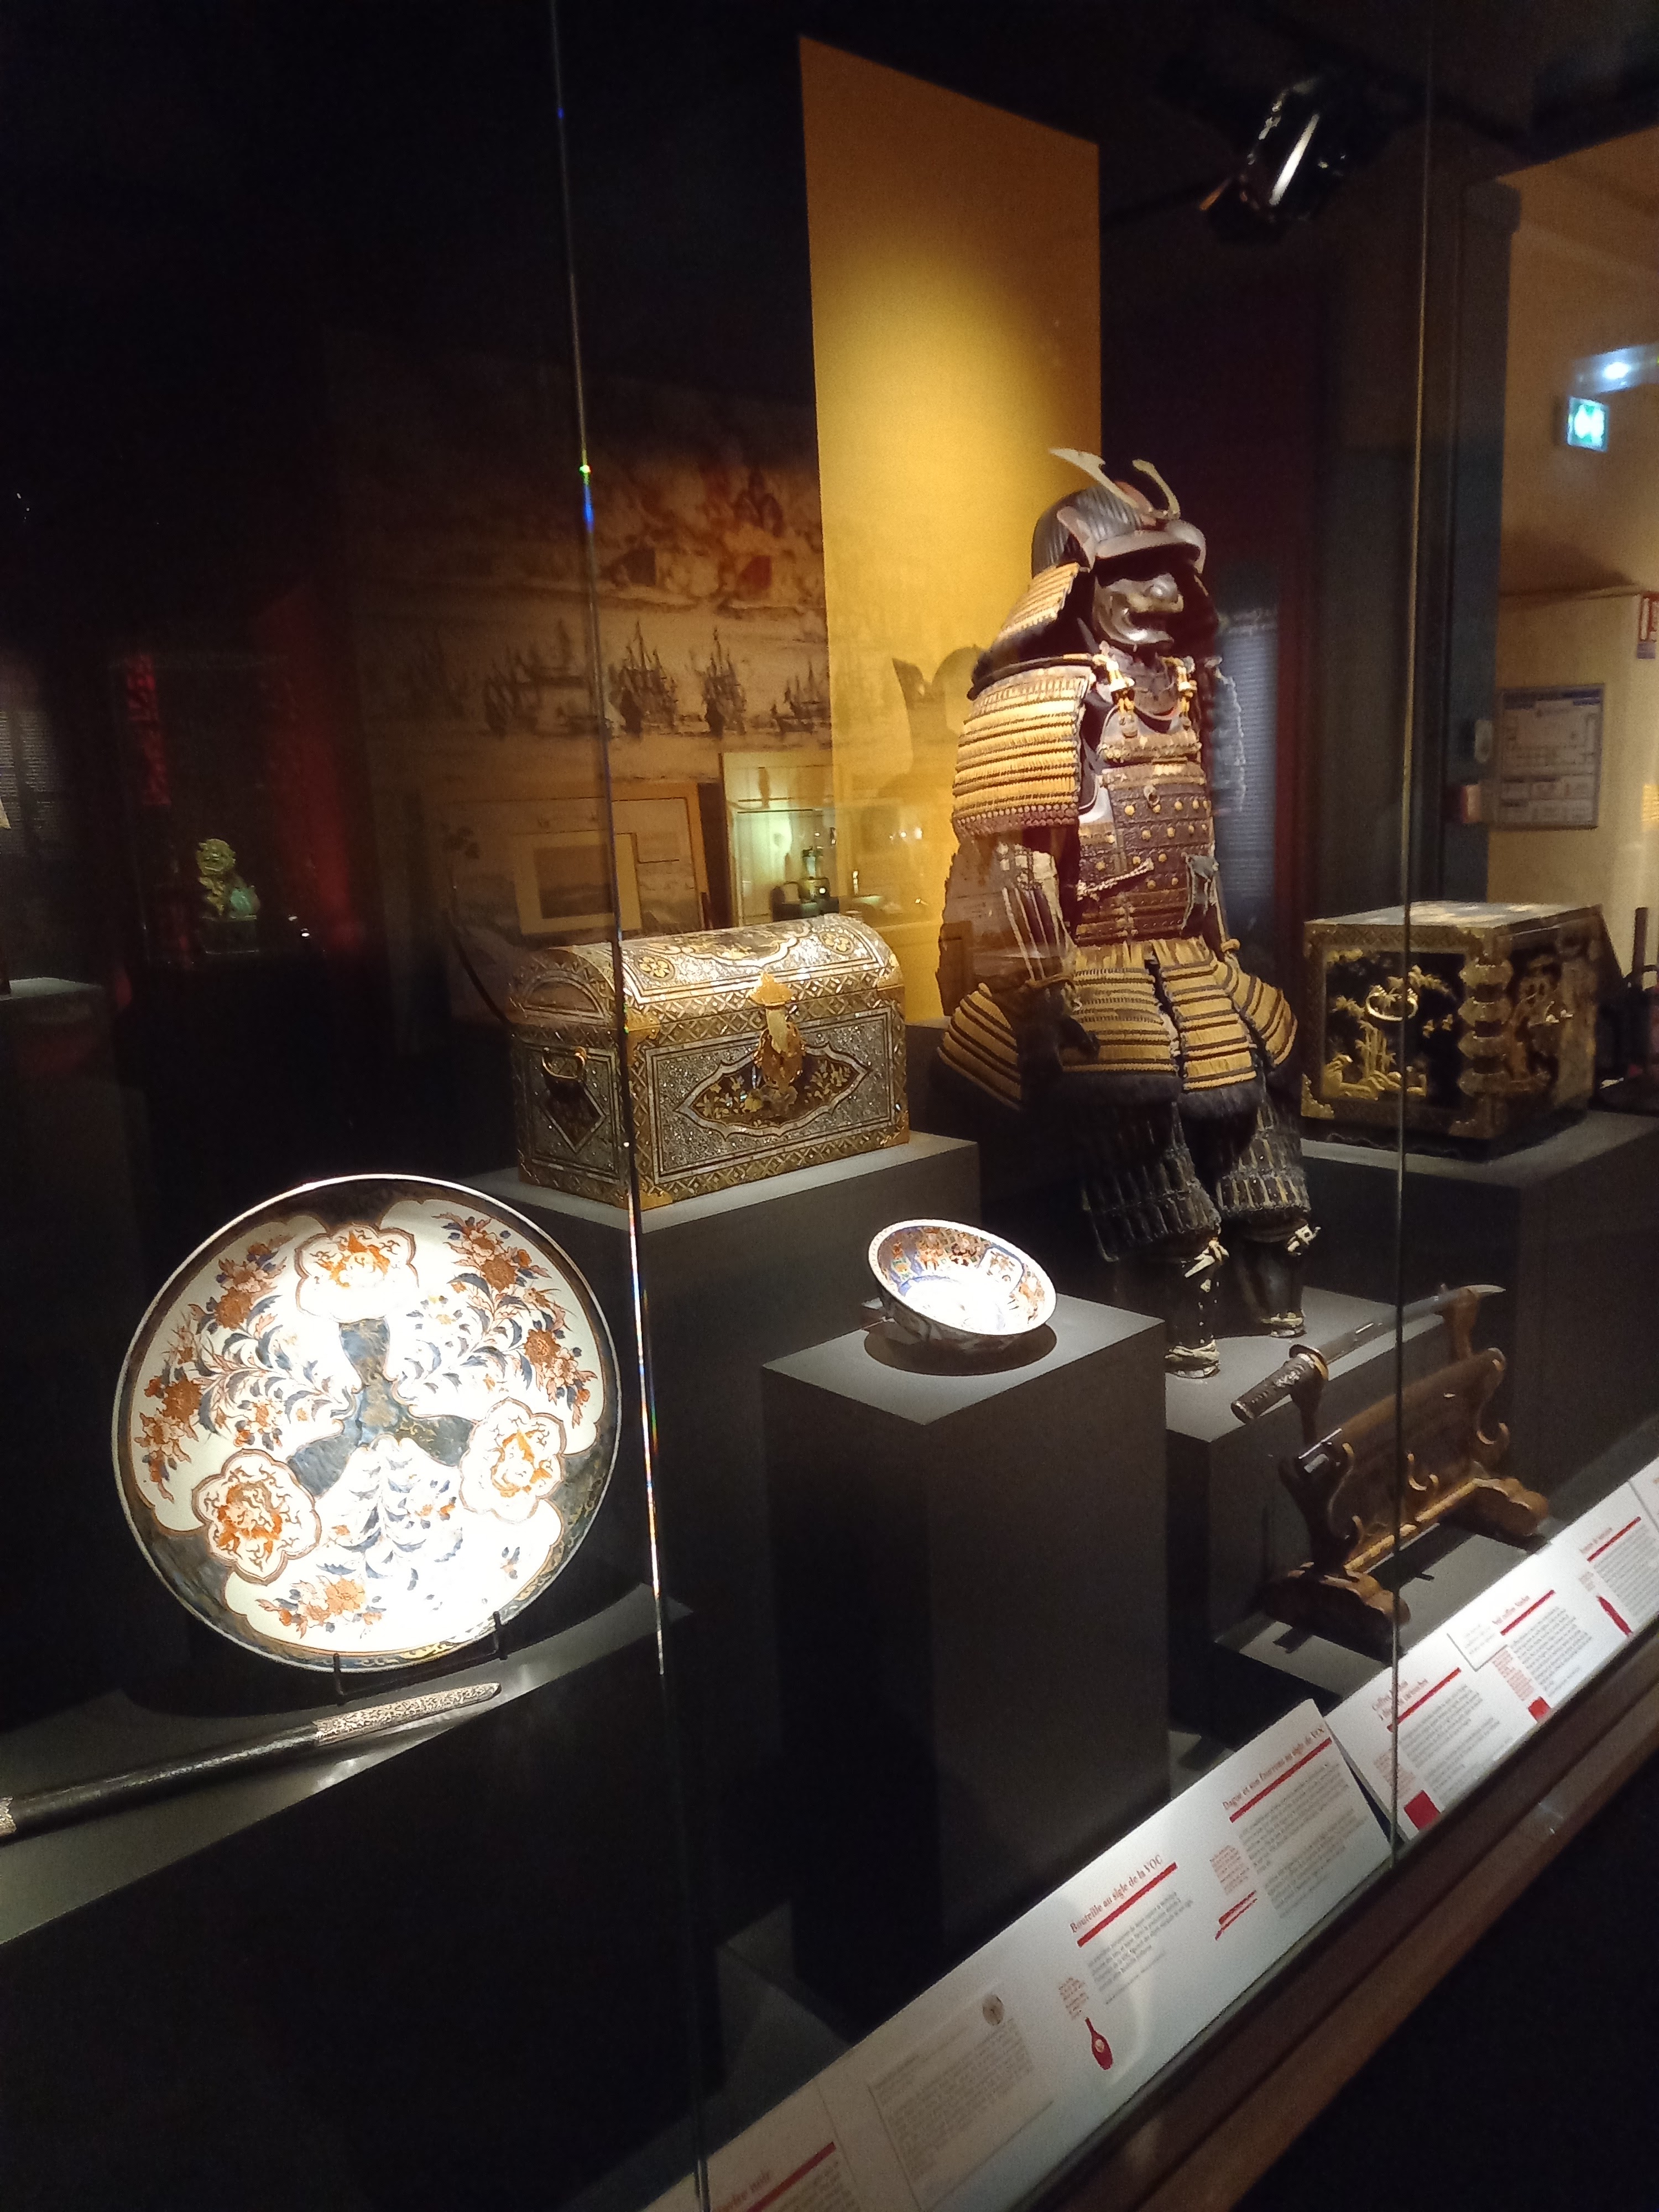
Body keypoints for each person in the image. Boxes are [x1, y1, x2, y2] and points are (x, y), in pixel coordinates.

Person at [935, 451, 1312, 1374]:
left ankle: (1270, 1257)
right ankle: (1174, 1274)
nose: (1164, 595)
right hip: (1088, 968)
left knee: (1254, 1102)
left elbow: (1201, 841)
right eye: (1137, 573)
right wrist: (1036, 991)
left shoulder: (1187, 689)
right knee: (1133, 1107)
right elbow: (1018, 859)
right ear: (1073, 579)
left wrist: (1219, 945)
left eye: (1173, 573)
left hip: (1186, 954)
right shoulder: (1038, 698)